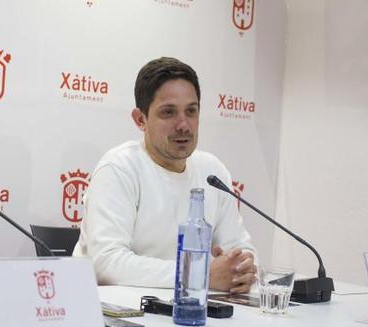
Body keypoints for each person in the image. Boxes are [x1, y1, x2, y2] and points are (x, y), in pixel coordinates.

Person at [74, 57, 256, 292]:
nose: (183, 125)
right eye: (168, 113)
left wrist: (242, 269)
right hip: (114, 316)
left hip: (190, 311)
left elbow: (241, 250)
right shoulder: (119, 168)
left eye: (191, 111)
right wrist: (197, 275)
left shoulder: (213, 172)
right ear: (141, 119)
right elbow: (106, 263)